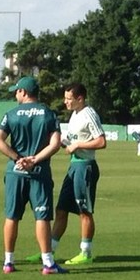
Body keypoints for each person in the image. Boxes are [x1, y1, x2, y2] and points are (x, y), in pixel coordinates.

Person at [0, 76, 68, 275]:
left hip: (15, 172)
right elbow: (55, 144)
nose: (15, 95)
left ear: (24, 92)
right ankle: (48, 263)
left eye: (17, 91)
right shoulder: (49, 114)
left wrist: (18, 158)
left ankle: (8, 262)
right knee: (42, 217)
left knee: (12, 216)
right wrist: (34, 160)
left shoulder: (11, 114)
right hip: (39, 172)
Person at [50, 83, 106, 265]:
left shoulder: (89, 114)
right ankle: (49, 250)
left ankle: (86, 252)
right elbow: (72, 140)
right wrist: (63, 142)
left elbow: (101, 141)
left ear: (80, 99)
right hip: (74, 166)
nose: (65, 102)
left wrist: (78, 145)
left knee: (84, 211)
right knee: (61, 209)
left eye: (69, 99)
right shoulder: (74, 114)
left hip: (85, 167)